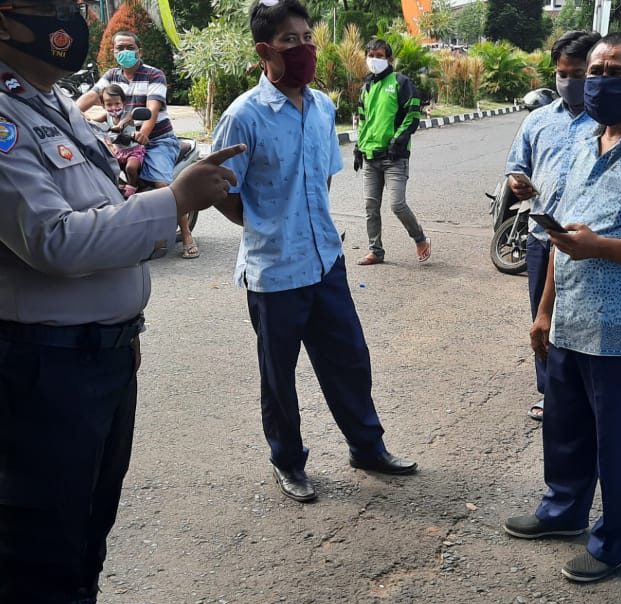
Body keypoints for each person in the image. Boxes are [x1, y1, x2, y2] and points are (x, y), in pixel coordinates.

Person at [0, 0, 242, 604]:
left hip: (96, 353)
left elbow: (103, 207)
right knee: (38, 527)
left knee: (87, 508)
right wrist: (174, 201)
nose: (69, 16)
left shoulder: (54, 102)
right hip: (39, 361)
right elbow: (56, 242)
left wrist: (120, 327)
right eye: (48, 7)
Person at [503, 32, 621, 583]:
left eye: (614, 72)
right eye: (594, 71)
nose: (599, 81)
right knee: (565, 428)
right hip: (570, 319)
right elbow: (561, 238)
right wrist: (544, 312)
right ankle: (562, 511)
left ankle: (614, 543)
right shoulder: (583, 141)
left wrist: (600, 247)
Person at [212, 0, 418, 504]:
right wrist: (262, 224)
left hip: (325, 260)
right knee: (279, 378)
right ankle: (288, 462)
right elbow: (219, 188)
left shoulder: (323, 107)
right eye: (290, 40)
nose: (304, 47)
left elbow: (321, 178)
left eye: (307, 37)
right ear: (265, 50)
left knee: (349, 360)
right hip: (274, 270)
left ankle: (366, 447)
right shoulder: (245, 115)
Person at [504, 29, 601, 423]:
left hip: (588, 241)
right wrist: (517, 182)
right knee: (542, 320)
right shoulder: (538, 121)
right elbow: (517, 166)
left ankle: (592, 393)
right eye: (562, 73)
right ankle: (550, 393)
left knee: (584, 319)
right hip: (542, 237)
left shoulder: (608, 123)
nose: (568, 82)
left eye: (577, 74)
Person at [77, 31, 196, 258]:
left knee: (162, 185)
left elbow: (151, 109)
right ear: (113, 52)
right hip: (120, 142)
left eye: (128, 47)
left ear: (139, 51)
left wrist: (143, 133)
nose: (124, 52)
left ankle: (187, 236)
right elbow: (90, 98)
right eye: (119, 48)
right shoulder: (111, 76)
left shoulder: (154, 75)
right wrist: (68, 115)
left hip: (157, 140)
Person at [354, 37, 431, 265]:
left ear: (389, 59)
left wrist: (398, 141)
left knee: (397, 204)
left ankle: (419, 238)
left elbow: (412, 114)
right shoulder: (366, 87)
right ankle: (375, 251)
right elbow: (363, 120)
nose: (375, 60)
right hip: (370, 156)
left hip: (394, 157)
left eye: (380, 56)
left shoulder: (401, 82)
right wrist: (359, 147)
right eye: (371, 56)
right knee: (371, 206)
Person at [92, 84, 144, 192]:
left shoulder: (127, 114)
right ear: (103, 105)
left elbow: (126, 119)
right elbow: (92, 121)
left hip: (133, 150)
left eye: (117, 103)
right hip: (118, 151)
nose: (114, 108)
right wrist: (81, 117)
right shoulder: (106, 116)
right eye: (109, 104)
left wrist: (119, 125)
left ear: (123, 103)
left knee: (131, 168)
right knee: (107, 165)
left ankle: (133, 186)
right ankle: (119, 183)